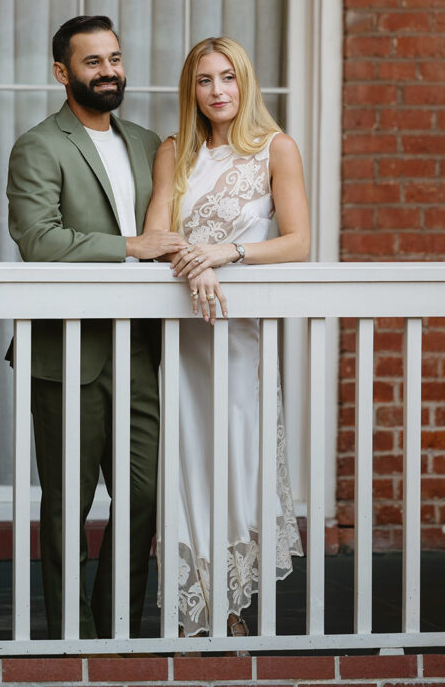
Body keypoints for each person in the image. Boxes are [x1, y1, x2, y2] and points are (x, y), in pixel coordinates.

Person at [6, 15, 186, 639]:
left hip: (141, 350)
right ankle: (69, 643)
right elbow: (39, 239)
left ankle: (117, 636)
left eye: (114, 58)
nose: (109, 71)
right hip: (68, 352)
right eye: (93, 62)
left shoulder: (148, 142)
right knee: (66, 510)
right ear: (63, 73)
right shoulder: (39, 144)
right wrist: (131, 246)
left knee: (141, 501)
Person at [144, 36, 310, 641]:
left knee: (240, 455)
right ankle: (195, 614)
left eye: (228, 78)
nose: (218, 91)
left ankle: (235, 605)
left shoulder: (276, 149)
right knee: (189, 458)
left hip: (241, 339)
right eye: (204, 80)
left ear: (246, 83)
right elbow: (156, 232)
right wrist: (197, 261)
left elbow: (298, 242)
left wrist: (229, 251)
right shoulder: (173, 153)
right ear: (191, 90)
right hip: (186, 336)